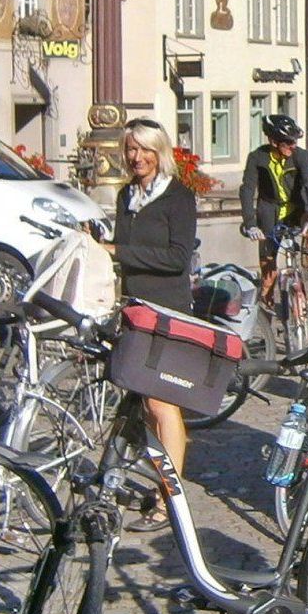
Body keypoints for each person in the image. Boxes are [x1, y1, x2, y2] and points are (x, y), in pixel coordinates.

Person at [108, 117, 198, 529]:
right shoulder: (128, 194)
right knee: (147, 406)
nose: (137, 157)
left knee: (162, 403)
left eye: (145, 149)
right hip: (135, 309)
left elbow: (178, 258)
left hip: (168, 310)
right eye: (131, 149)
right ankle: (164, 479)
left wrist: (120, 250)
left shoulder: (178, 197)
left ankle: (169, 501)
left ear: (159, 152)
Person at [239, 113, 308, 305]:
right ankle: (265, 317)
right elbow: (247, 190)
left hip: (297, 210)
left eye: (294, 141)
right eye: (287, 142)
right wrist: (250, 224)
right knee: (268, 274)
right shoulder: (257, 157)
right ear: (273, 141)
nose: (293, 146)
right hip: (269, 213)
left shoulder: (300, 155)